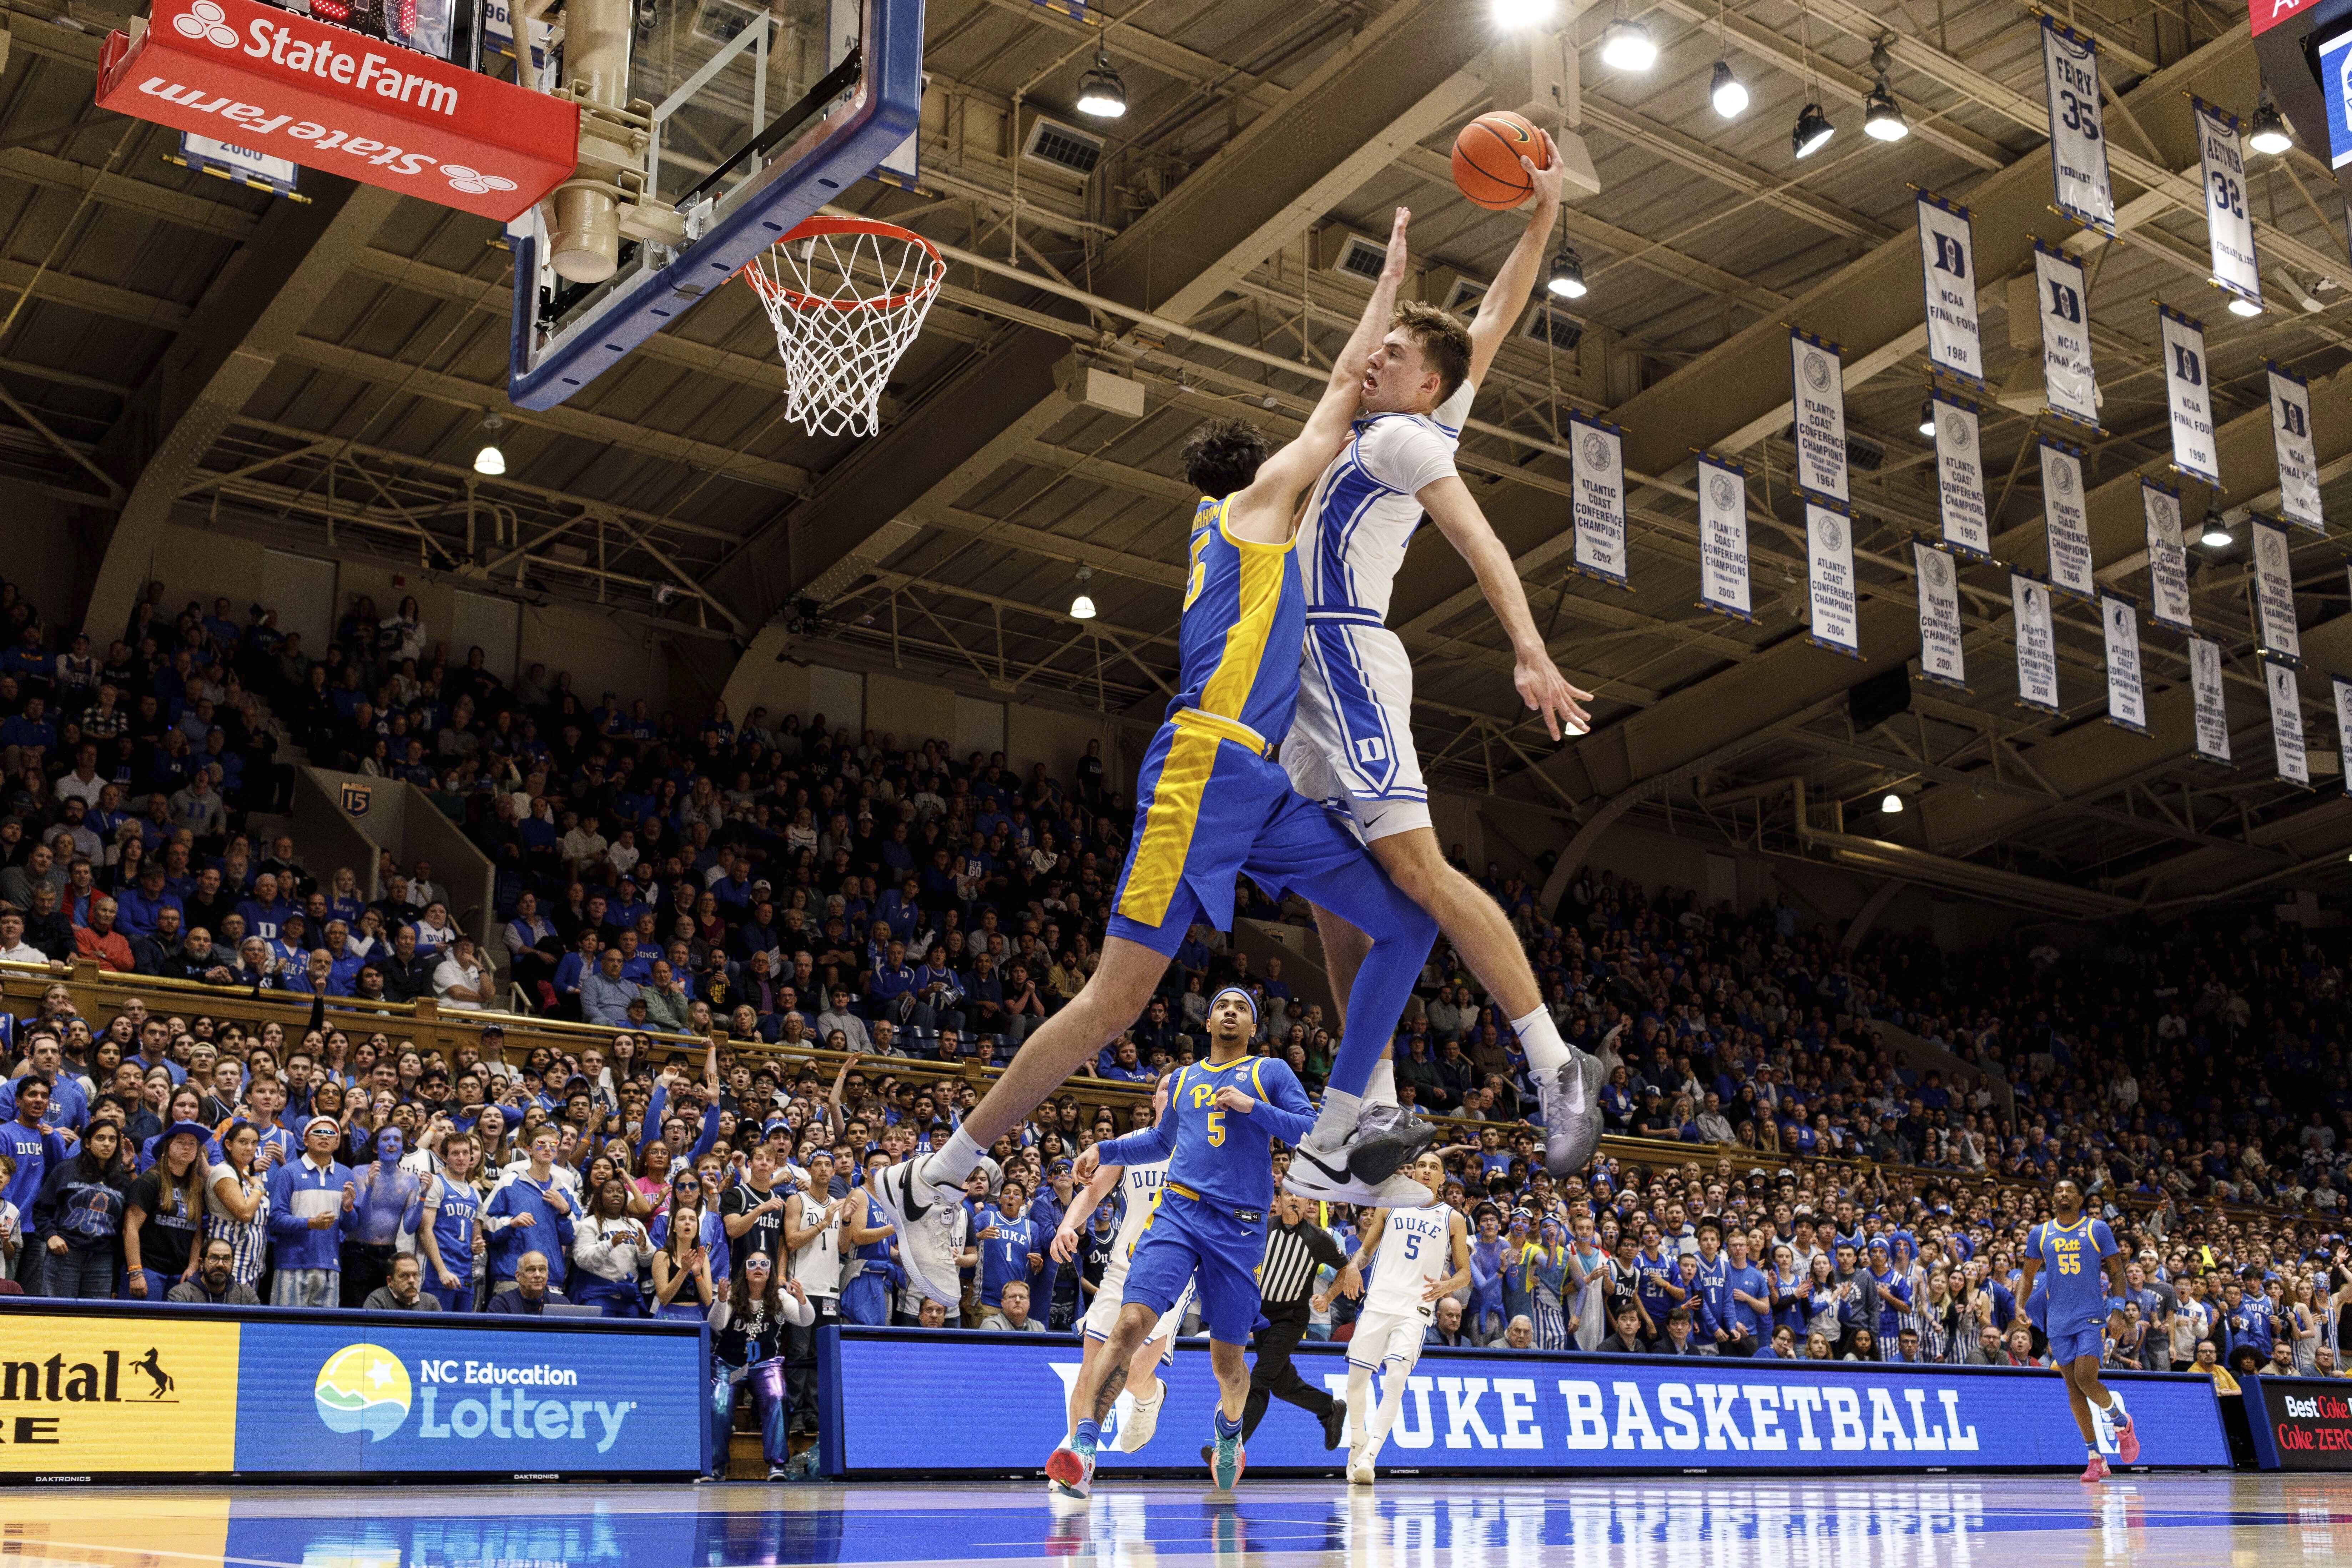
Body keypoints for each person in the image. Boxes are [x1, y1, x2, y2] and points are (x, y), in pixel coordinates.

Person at [865, 209, 1442, 1297]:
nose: (1308, 455)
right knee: (1112, 1005)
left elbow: (1334, 402)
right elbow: (1337, 391)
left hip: (1258, 779)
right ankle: (930, 1182)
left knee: (1407, 919)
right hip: (1204, 769)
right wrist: (1388, 297)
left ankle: (1342, 1134)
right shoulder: (1256, 505)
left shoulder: (1231, 523)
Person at [1281, 132, 1600, 1182]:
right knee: (1333, 901)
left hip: (1352, 663)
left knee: (1416, 873)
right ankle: (1371, 1110)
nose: (1375, 362)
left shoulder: (1408, 441)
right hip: (1300, 679)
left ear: (1426, 387)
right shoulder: (1391, 418)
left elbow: (1481, 540)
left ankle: (1556, 1064)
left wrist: (1528, 650)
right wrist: (1539, 221)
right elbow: (1495, 320)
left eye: (1395, 358)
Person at [1047, 987, 1316, 1497]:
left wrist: (1252, 1106)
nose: (1231, 1012)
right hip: (1179, 1211)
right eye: (1222, 1006)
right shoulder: (1186, 1079)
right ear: (1208, 1022)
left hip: (1238, 1226)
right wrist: (1103, 1147)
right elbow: (1159, 1142)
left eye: (1242, 1008)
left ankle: (1230, 1434)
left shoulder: (1270, 1073)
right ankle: (1083, 1450)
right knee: (1127, 1325)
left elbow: (1309, 1130)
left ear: (1253, 1028)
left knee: (1226, 1363)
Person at [1046, 1078, 1195, 1459]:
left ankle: (1151, 1396)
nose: (1174, 1094)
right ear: (1155, 1098)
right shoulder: (1131, 1144)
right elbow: (1092, 1193)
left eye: (1183, 1088)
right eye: (1167, 1088)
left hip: (1174, 1271)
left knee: (1129, 1375)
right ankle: (1079, 1459)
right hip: (1124, 1266)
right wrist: (1067, 1225)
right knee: (1091, 1371)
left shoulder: (1203, 1146)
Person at [1338, 1148, 1472, 1485]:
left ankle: (1370, 1456)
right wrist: (1353, 1267)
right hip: (1380, 1302)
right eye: (1422, 1165)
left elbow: (1464, 1274)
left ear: (1443, 1179)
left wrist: (1446, 1286)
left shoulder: (1452, 1218)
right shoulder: (1390, 1203)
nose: (1426, 1170)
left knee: (1396, 1376)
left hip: (1416, 1308)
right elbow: (1365, 1252)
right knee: (1356, 1381)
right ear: (1413, 1173)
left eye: (1434, 1167)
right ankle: (1357, 1439)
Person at [2019, 1177, 2139, 1482]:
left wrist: (2116, 1310)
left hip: (2090, 1315)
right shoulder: (2040, 1233)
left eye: (2069, 1190)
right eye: (2057, 1190)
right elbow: (2027, 1273)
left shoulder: (2096, 1228)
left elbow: (2117, 1271)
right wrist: (2020, 1305)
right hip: (2057, 1321)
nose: (2063, 1193)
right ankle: (2094, 1456)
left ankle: (2121, 1422)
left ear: (2080, 1198)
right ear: (2051, 1199)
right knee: (2073, 1387)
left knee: (2086, 1378)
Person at [1239, 1189, 1350, 1451]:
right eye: (1288, 1194)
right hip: (1263, 1316)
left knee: (1260, 1381)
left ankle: (1232, 1446)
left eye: (1300, 1196)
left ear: (1308, 1203)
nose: (1293, 1199)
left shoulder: (1318, 1239)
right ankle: (1329, 1408)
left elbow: (1346, 1268)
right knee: (1282, 1385)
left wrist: (1329, 1296)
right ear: (1278, 1200)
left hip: (1291, 1318)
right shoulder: (1264, 1228)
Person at [709, 1253, 813, 1480]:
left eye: (764, 1264)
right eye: (752, 1264)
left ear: (770, 1272)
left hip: (764, 1366)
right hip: (733, 1368)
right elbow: (716, 1325)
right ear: (745, 1271)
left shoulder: (780, 1297)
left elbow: (806, 1321)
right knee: (718, 1404)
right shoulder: (733, 1295)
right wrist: (721, 1300)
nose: (758, 1267)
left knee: (777, 1396)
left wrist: (803, 1300)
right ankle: (716, 1465)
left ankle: (777, 1465)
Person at [265, 1114, 354, 1306]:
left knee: (324, 1333)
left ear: (338, 1142)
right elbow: (275, 1220)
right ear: (305, 1140)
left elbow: (350, 1226)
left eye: (331, 1133)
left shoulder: (346, 1174)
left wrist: (348, 1208)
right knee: (286, 1328)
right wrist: (310, 1223)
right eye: (318, 1133)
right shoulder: (289, 1171)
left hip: (330, 1265)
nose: (325, 1137)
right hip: (291, 1263)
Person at [167, 1236, 261, 1304]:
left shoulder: (247, 1296)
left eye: (226, 1259)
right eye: (214, 1258)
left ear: (232, 1263)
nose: (221, 1264)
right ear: (201, 1263)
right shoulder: (181, 1295)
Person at [486, 1250, 571, 1313]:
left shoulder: (561, 1304)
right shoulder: (502, 1304)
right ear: (518, 1276)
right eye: (531, 1270)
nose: (538, 1275)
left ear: (548, 1274)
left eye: (542, 1270)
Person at [362, 1251, 441, 1310]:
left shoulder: (430, 1302)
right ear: (390, 1281)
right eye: (404, 1276)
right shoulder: (378, 1301)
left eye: (415, 1275)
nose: (412, 1281)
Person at [980, 1279, 1047, 1333]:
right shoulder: (992, 1324)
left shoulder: (1039, 1327)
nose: (1018, 1300)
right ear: (1003, 1303)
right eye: (1012, 1297)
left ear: (1029, 1302)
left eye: (1022, 1297)